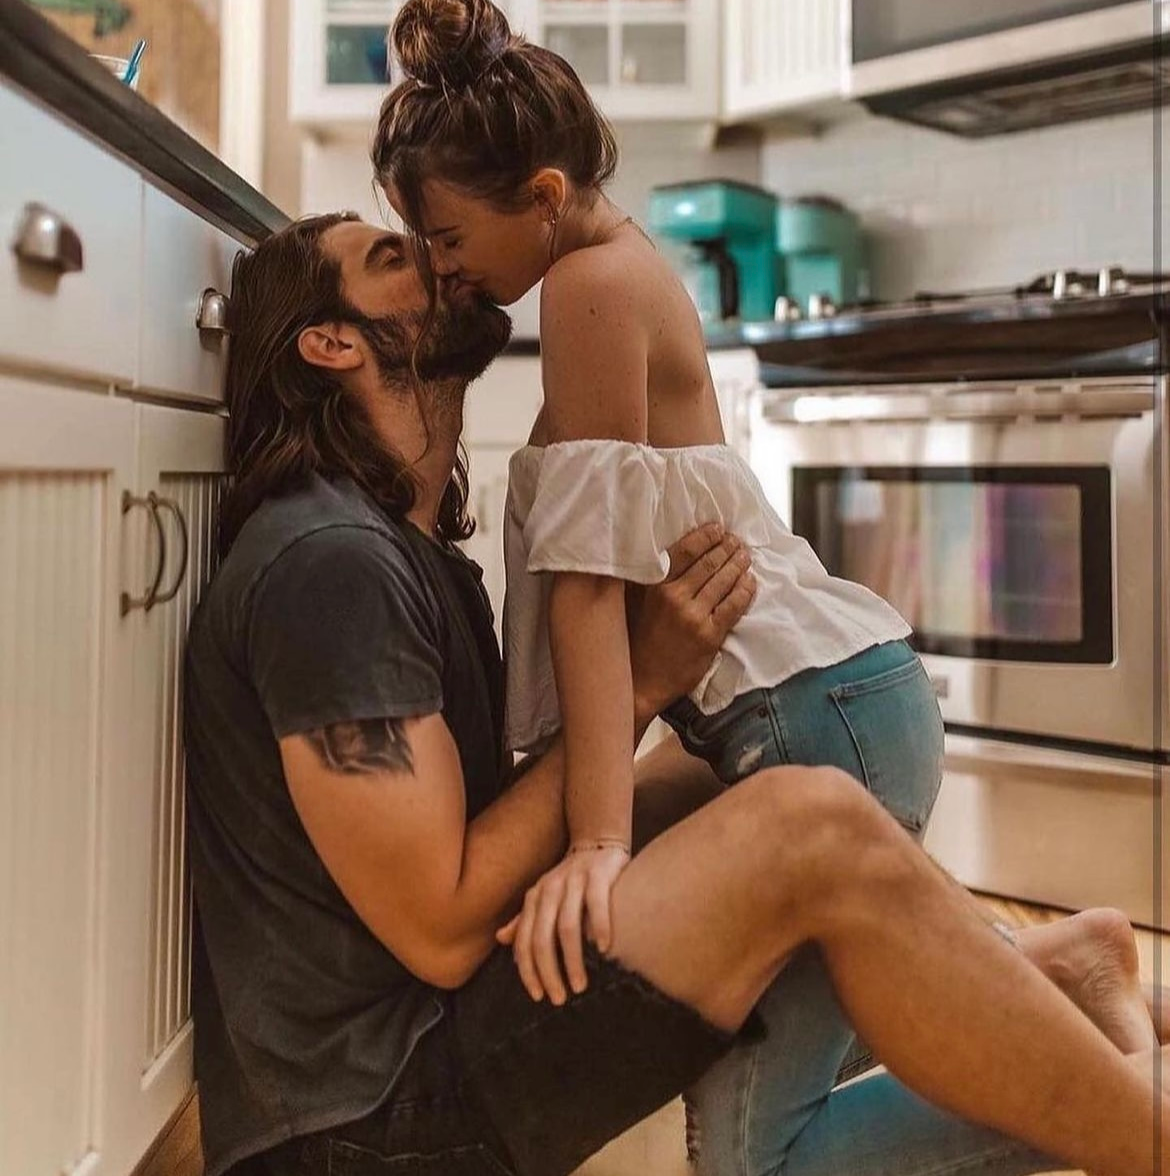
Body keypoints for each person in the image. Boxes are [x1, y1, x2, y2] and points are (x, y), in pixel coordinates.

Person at [183, 209, 1169, 1176]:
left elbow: (472, 839)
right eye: (392, 256)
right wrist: (644, 680)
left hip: (448, 1024)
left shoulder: (400, 548)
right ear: (333, 342)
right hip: (371, 1120)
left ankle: (1051, 977)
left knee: (749, 776)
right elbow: (440, 928)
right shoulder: (330, 565)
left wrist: (665, 730)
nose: (437, 261)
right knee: (807, 826)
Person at [368, 0, 1165, 1173]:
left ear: (540, 198)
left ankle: (1118, 1108)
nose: (442, 271)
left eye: (445, 238)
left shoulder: (589, 288)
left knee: (757, 1156)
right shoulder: (608, 267)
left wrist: (598, 841)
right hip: (840, 698)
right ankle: (1064, 969)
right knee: (824, 996)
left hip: (814, 720)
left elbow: (588, 585)